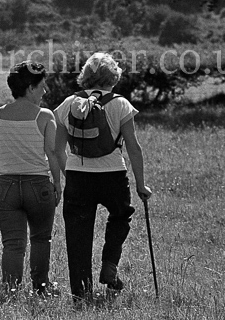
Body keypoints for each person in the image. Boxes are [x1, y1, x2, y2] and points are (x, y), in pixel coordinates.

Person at [53, 52, 152, 303]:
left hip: (78, 176)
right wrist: (141, 184)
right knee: (120, 215)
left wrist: (70, 174)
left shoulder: (66, 104)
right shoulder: (120, 104)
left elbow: (56, 150)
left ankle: (80, 294)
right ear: (113, 78)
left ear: (86, 76)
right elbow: (133, 146)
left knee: (78, 235)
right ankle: (109, 264)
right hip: (113, 175)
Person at [0, 61, 61, 296]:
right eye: (42, 87)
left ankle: (10, 290)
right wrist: (57, 183)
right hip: (38, 186)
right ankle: (41, 287)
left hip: (6, 186)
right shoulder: (45, 116)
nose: (45, 91)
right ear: (30, 88)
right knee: (41, 239)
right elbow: (52, 153)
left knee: (13, 244)